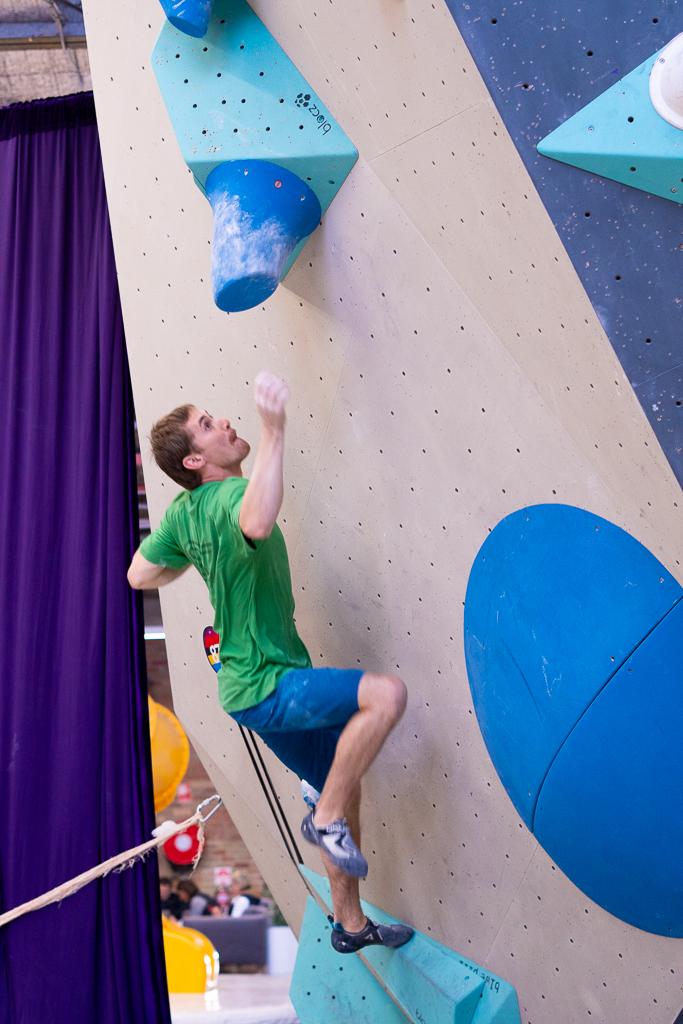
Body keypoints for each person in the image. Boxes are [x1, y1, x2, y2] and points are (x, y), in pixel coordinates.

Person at [128, 372, 413, 954]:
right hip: (268, 684)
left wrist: (195, 557)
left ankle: (349, 924)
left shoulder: (184, 513)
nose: (223, 421)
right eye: (207, 425)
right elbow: (256, 521)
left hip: (248, 692)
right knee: (386, 697)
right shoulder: (231, 497)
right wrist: (274, 430)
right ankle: (325, 815)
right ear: (194, 461)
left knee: (341, 785)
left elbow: (138, 574)